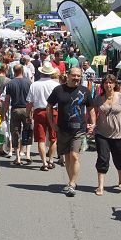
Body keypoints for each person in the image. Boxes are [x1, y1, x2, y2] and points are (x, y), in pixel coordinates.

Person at [47, 67, 93, 197]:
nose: (76, 78)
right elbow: (49, 106)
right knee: (67, 157)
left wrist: (92, 123)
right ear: (68, 76)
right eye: (74, 76)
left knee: (74, 156)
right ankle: (71, 181)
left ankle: (72, 184)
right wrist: (52, 124)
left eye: (79, 76)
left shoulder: (85, 91)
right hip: (63, 129)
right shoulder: (58, 90)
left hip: (79, 129)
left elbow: (91, 108)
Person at [90, 74, 121, 195]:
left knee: (119, 157)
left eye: (110, 82)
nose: (108, 85)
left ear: (114, 84)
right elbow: (93, 112)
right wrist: (92, 124)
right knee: (103, 158)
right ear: (103, 85)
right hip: (102, 133)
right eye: (106, 83)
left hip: (119, 133)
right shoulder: (98, 98)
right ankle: (100, 186)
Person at [30, 65, 60, 171]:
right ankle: (51, 160)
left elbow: (30, 102)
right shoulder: (56, 84)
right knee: (53, 137)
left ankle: (44, 162)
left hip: (40, 111)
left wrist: (28, 114)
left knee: (41, 139)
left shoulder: (34, 85)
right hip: (53, 111)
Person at [1, 63, 32, 166]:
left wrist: (3, 113)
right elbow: (31, 99)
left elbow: (7, 100)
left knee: (15, 132)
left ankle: (18, 157)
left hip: (15, 109)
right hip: (26, 109)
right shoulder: (29, 82)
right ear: (22, 71)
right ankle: (27, 154)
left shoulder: (10, 83)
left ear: (13, 71)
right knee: (27, 130)